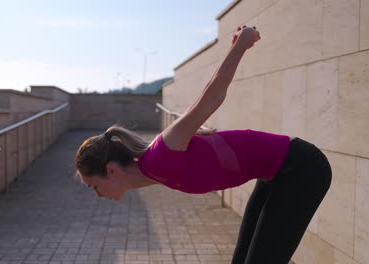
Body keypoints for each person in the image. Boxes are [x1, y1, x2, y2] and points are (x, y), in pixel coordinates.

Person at [75, 25, 332, 264]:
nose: (98, 194)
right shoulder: (154, 168)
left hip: (301, 168)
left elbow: (211, 97)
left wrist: (241, 44)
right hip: (275, 174)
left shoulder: (161, 154)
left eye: (94, 186)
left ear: (111, 170)